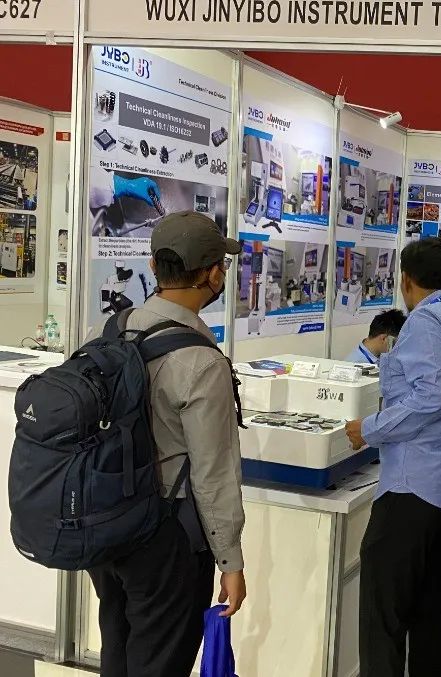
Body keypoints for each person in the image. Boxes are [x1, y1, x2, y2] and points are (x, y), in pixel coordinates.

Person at [87, 211, 246, 677]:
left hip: (107, 525)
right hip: (168, 538)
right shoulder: (202, 361)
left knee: (118, 649)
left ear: (154, 267)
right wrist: (230, 561)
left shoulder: (107, 331)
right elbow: (213, 474)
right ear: (213, 275)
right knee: (160, 662)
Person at [344, 237, 441, 677]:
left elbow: (433, 395)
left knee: (383, 616)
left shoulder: (425, 321)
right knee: (428, 604)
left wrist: (368, 429)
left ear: (405, 280)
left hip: (415, 488)